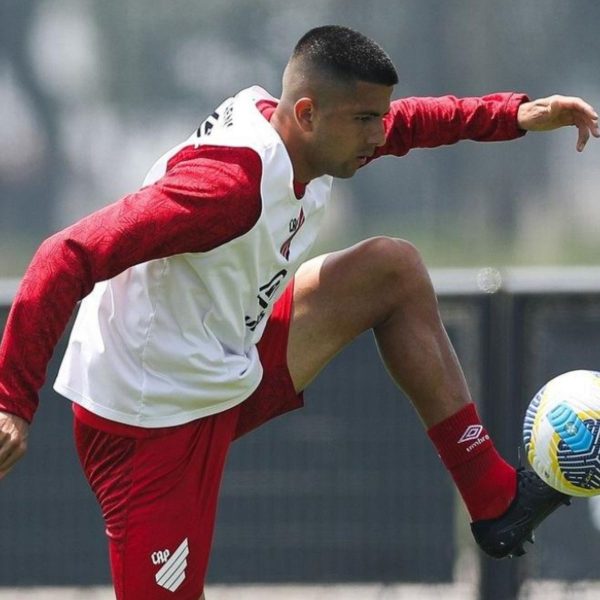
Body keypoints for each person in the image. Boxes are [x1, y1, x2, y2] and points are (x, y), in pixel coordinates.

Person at [0, 24, 598, 599]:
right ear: (307, 114)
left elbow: (409, 123)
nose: (379, 133)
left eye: (378, 116)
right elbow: (65, 253)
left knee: (391, 270)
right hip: (148, 423)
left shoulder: (307, 134)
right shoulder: (226, 188)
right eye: (367, 120)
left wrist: (513, 114)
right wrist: (11, 402)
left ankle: (495, 502)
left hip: (226, 363)